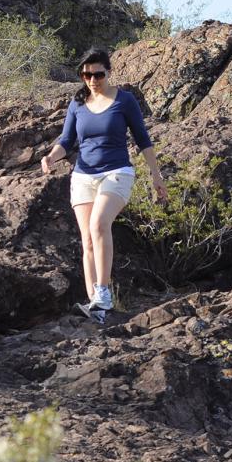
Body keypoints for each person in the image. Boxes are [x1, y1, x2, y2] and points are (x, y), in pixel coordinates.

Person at [40, 49, 168, 323]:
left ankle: (104, 294)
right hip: (83, 176)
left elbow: (143, 139)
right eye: (87, 74)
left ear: (108, 73)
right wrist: (51, 157)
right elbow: (66, 141)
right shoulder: (77, 104)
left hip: (117, 172)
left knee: (99, 224)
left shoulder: (124, 101)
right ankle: (96, 307)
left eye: (98, 74)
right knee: (87, 240)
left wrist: (156, 175)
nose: (93, 79)